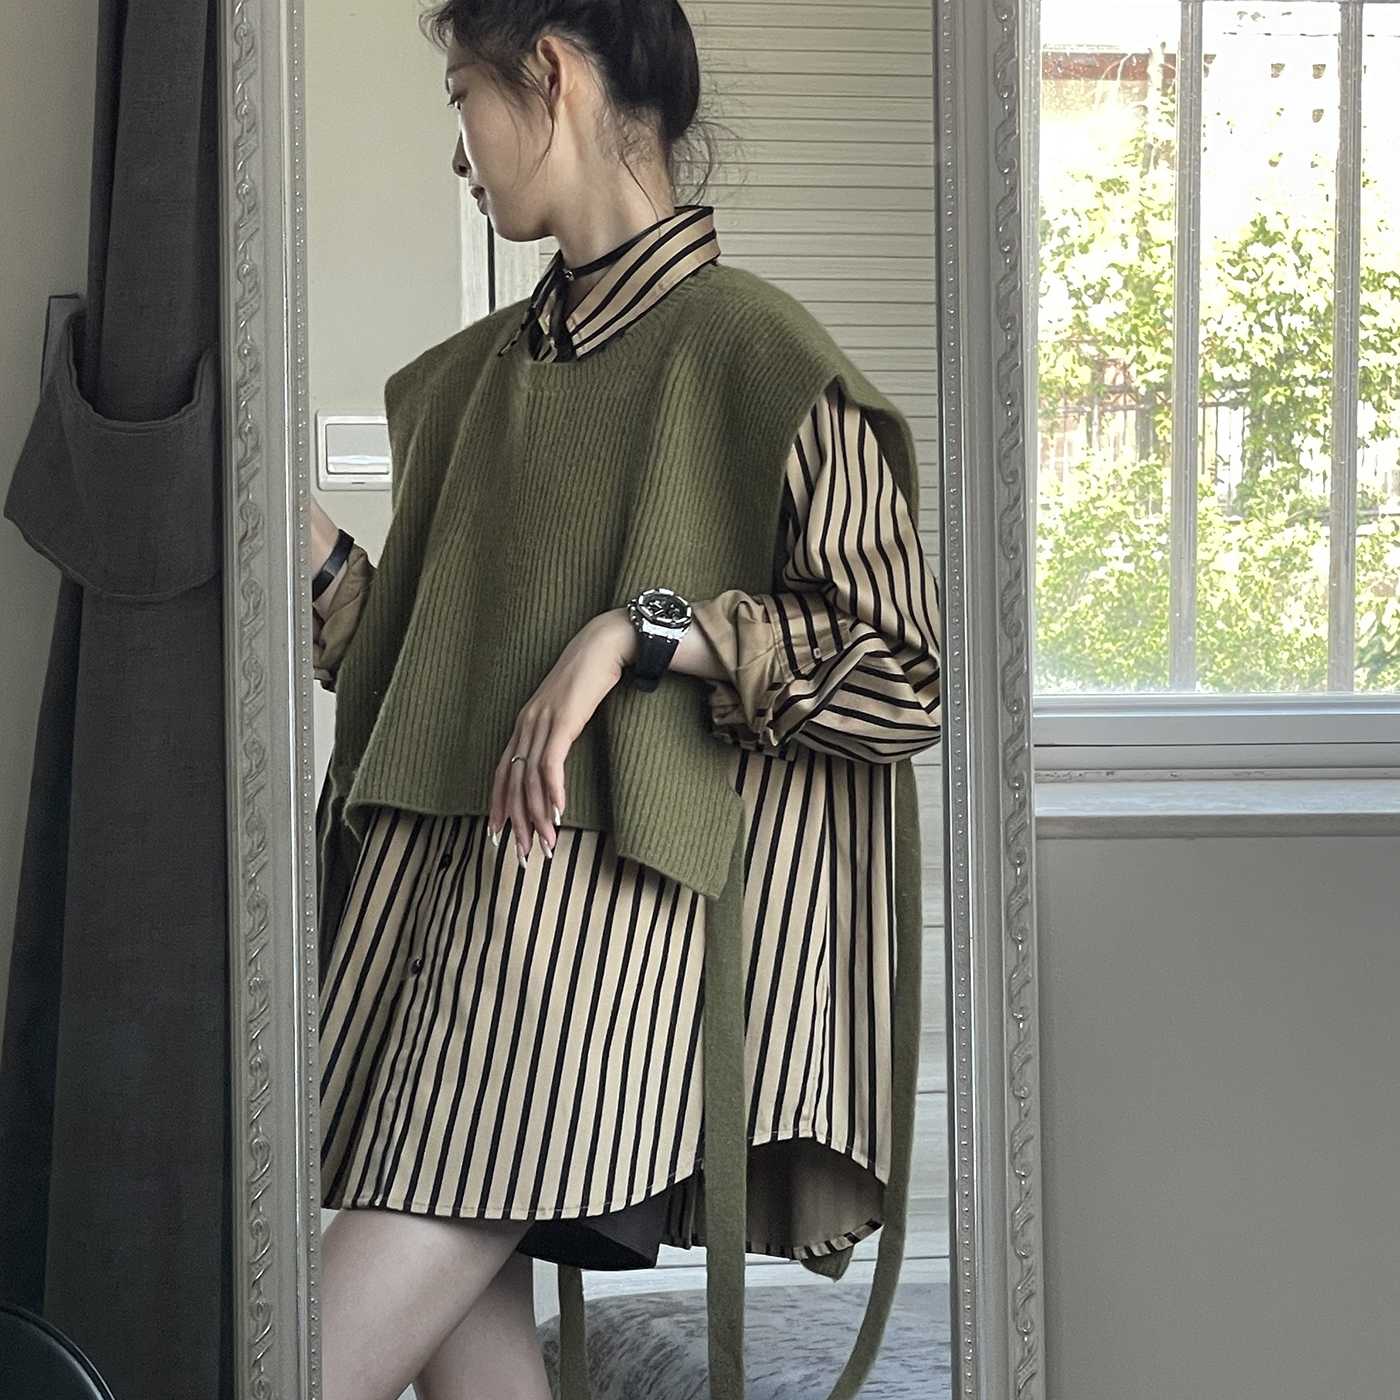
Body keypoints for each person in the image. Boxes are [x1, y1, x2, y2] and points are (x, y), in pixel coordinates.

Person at [309, 2, 942, 1397]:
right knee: (462, 1364)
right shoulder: (471, 384)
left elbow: (903, 669)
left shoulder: (759, 357)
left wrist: (638, 633)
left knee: (290, 1359)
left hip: (583, 954)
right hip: (439, 917)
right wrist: (308, 553)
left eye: (463, 97)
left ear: (550, 75)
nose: (459, 151)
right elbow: (419, 672)